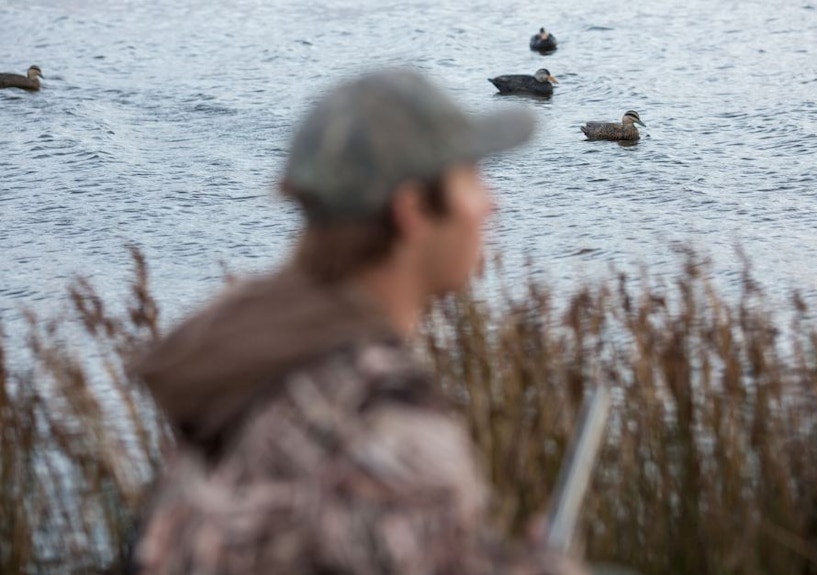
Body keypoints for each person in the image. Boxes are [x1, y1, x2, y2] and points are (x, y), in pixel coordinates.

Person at [132, 67, 585, 575]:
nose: (491, 202)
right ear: (412, 210)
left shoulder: (248, 367)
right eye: (472, 178)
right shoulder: (387, 428)